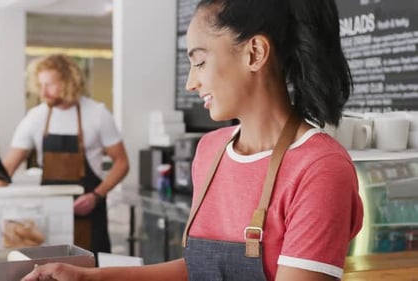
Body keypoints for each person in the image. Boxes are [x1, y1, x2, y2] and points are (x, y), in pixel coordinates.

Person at [22, 0, 363, 280]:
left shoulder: (319, 168)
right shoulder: (210, 151)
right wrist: (90, 277)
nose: (191, 82)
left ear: (255, 53)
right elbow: (200, 271)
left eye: (199, 61)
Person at [0, 54, 129, 254]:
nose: (43, 92)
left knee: (91, 270)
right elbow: (7, 169)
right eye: (41, 85)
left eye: (50, 85)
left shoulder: (97, 114)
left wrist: (97, 195)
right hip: (50, 216)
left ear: (70, 82)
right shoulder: (35, 117)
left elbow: (122, 163)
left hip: (89, 210)